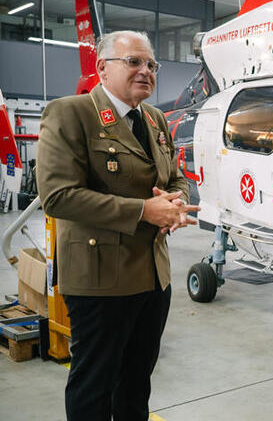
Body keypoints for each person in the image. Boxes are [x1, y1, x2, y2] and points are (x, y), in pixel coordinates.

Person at [36, 30, 199, 420]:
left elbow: (175, 176)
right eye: (134, 62)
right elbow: (58, 196)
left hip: (152, 276)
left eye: (151, 64)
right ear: (102, 68)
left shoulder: (155, 119)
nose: (145, 71)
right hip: (100, 279)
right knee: (95, 385)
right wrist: (144, 211)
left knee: (136, 383)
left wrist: (174, 203)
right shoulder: (71, 113)